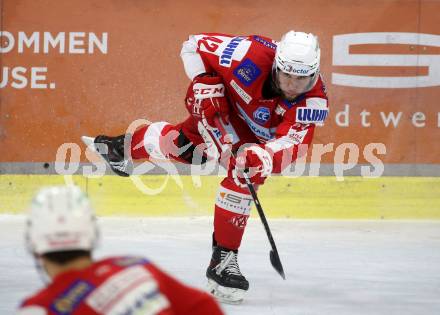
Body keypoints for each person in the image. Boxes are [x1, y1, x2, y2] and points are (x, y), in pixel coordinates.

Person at [90, 31, 329, 303]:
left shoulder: (313, 101)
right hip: (218, 105)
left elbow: (291, 144)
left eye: (302, 79)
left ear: (314, 73)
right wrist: (203, 80)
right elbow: (192, 45)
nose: (292, 86)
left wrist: (262, 156)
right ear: (276, 64)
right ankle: (121, 149)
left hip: (255, 137)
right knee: (188, 148)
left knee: (244, 171)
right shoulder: (247, 54)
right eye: (287, 75)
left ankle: (222, 263)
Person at [18, 185, 224, 314]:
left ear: (34, 245)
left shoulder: (40, 308)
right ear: (93, 236)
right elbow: (204, 307)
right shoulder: (134, 268)